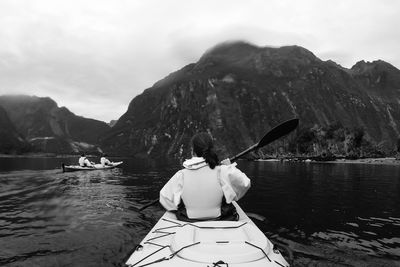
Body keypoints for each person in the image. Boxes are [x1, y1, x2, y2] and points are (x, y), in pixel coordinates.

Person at [159, 132, 251, 221]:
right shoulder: (222, 170)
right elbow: (245, 183)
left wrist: (178, 206)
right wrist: (230, 167)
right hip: (219, 218)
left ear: (193, 151)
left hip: (188, 219)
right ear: (211, 149)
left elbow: (164, 197)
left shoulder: (181, 174)